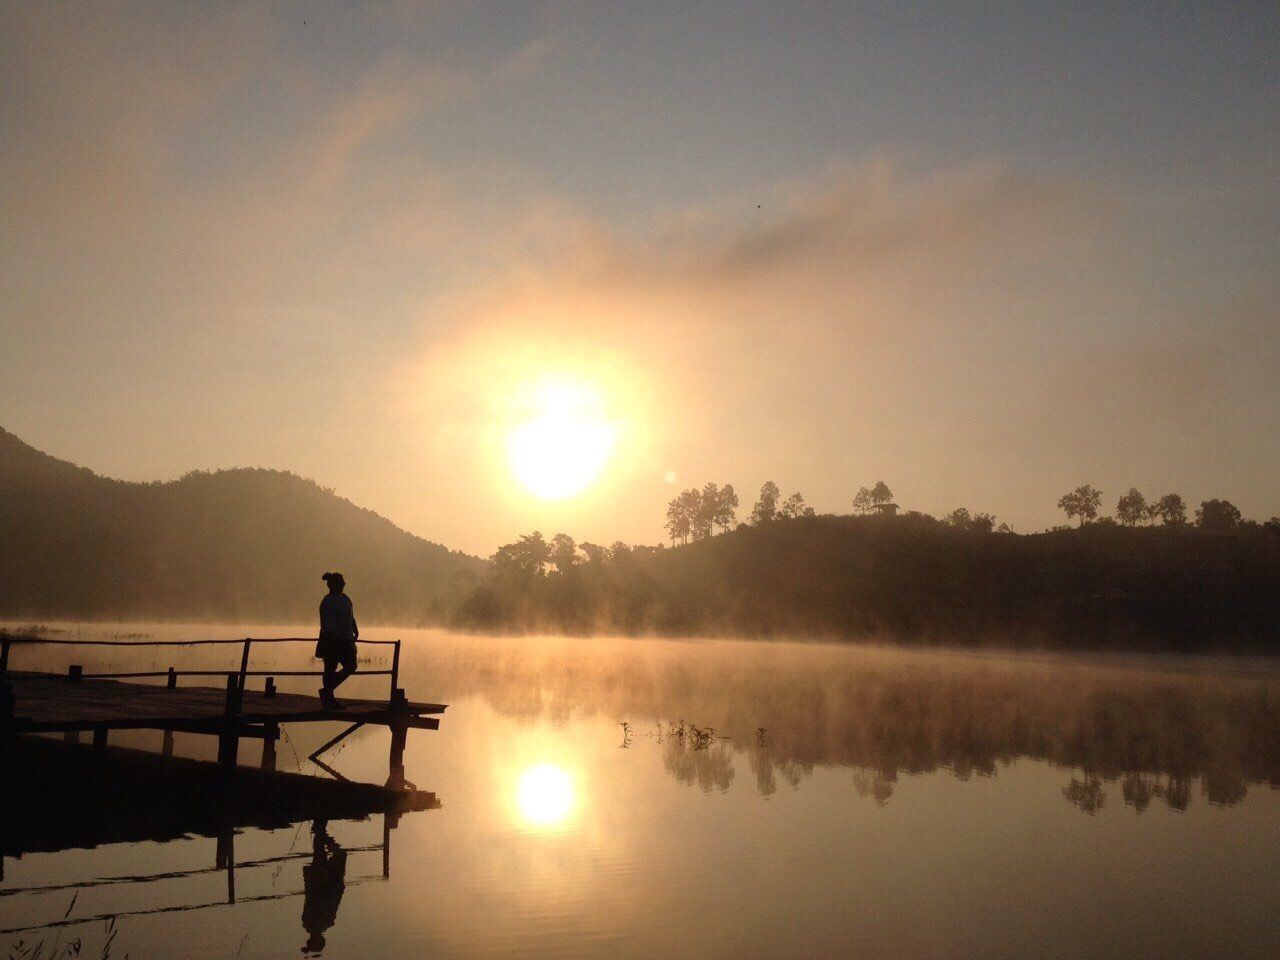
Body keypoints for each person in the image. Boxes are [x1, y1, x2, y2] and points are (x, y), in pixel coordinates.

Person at [301, 819, 347, 956]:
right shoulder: (324, 922)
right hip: (325, 883)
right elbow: (332, 901)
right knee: (328, 851)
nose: (311, 939)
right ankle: (320, 831)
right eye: (313, 942)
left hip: (320, 882)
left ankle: (320, 830)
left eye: (311, 942)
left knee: (322, 850)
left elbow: (309, 900)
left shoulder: (310, 923)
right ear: (319, 939)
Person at [317, 572, 358, 709]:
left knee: (350, 666)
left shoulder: (345, 599)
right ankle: (329, 697)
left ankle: (327, 694)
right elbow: (328, 623)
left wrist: (355, 630)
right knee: (330, 669)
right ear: (334, 584)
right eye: (341, 582)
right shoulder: (327, 601)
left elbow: (351, 617)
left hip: (344, 639)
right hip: (332, 640)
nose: (344, 584)